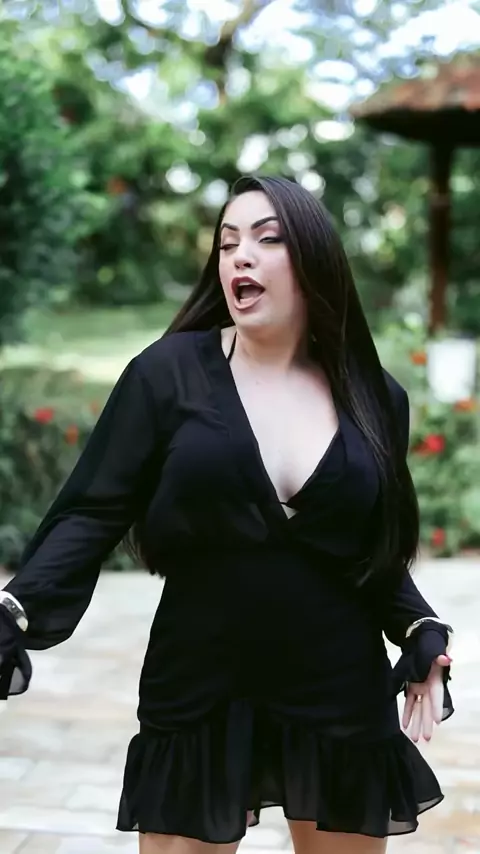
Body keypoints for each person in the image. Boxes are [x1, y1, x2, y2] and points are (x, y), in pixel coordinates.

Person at [0, 175, 454, 854]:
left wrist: (419, 628)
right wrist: (17, 609)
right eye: (227, 242)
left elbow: (368, 548)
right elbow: (92, 511)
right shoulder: (167, 374)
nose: (240, 255)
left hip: (337, 685)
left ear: (314, 259)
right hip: (201, 676)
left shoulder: (374, 396)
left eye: (267, 239)